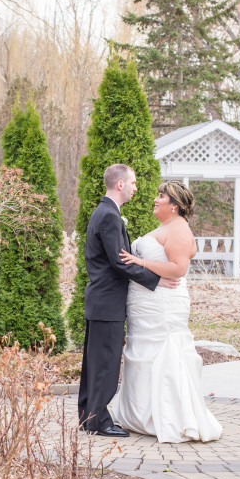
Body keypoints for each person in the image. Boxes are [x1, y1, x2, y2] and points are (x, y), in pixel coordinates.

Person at [113, 180, 223, 443]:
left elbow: (178, 269)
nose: (156, 199)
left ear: (174, 205)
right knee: (144, 353)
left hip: (162, 305)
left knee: (163, 353)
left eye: (161, 196)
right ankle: (141, 414)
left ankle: (170, 417)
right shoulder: (167, 227)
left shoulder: (179, 230)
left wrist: (140, 261)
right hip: (147, 305)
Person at [78, 164, 178, 437]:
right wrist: (156, 280)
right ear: (120, 184)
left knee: (95, 363)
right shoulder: (109, 216)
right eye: (133, 182)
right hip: (107, 302)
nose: (136, 187)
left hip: (101, 301)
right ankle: (99, 422)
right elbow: (121, 263)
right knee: (106, 364)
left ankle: (89, 418)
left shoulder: (105, 212)